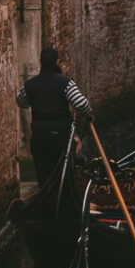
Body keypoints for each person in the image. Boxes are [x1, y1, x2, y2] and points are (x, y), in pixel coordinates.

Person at [17, 46, 91, 200]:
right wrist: (90, 115)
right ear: (58, 62)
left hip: (39, 138)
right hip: (60, 138)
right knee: (64, 176)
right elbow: (81, 104)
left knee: (44, 178)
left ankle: (48, 206)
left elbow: (21, 102)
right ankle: (64, 205)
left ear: (40, 62)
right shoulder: (66, 83)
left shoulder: (31, 84)